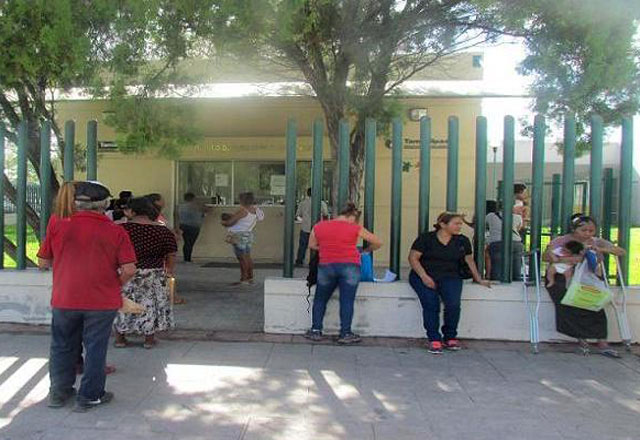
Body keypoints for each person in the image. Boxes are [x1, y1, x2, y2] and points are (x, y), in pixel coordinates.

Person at [38, 181, 137, 411]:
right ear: (105, 204)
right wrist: (114, 284)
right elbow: (129, 269)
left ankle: (58, 394)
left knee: (61, 346)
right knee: (95, 349)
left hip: (64, 298)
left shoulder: (57, 223)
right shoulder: (116, 231)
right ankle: (89, 396)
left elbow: (43, 262)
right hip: (101, 301)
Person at [542, 214, 625, 358]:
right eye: (584, 230)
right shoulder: (562, 241)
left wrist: (601, 249)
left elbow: (621, 251)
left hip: (588, 278)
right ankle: (582, 341)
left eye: (591, 231)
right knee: (571, 302)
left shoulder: (596, 241)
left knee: (595, 304)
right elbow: (546, 256)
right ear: (574, 229)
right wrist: (569, 259)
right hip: (563, 277)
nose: (587, 234)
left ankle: (602, 342)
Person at [408, 212, 490, 354]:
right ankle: (434, 338)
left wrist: (478, 278)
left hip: (450, 275)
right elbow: (413, 258)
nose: (459, 226)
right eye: (456, 223)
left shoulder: (462, 241)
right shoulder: (426, 238)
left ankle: (450, 336)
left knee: (453, 305)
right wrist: (424, 276)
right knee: (431, 303)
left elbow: (469, 260)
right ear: (442, 224)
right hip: (424, 274)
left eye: (460, 224)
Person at [303, 202, 382, 344]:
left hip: (326, 266)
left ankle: (316, 331)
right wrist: (364, 251)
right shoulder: (355, 227)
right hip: (350, 267)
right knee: (347, 300)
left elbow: (311, 245)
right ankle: (345, 333)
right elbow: (378, 242)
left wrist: (326, 247)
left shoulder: (319, 226)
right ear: (352, 216)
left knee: (320, 299)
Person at [113, 197, 178, 349]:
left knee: (122, 303)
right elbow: (171, 253)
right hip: (153, 272)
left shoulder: (120, 228)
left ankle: (120, 339)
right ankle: (148, 340)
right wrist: (169, 270)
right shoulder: (163, 230)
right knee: (150, 305)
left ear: (132, 211)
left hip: (125, 270)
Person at [222, 192, 265, 285]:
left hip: (239, 236)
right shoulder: (255, 210)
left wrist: (224, 223)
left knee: (241, 258)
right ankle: (250, 277)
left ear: (242, 200)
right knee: (247, 257)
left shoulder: (243, 211)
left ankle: (244, 278)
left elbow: (230, 222)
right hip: (248, 235)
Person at [486, 203, 524, 281]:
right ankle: (516, 278)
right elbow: (518, 229)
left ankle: (496, 280)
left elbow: (485, 224)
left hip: (497, 243)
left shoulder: (490, 216)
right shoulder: (518, 217)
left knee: (496, 264)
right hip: (515, 242)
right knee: (516, 263)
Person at [295, 188, 329, 266]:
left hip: (305, 227)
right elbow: (325, 214)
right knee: (317, 246)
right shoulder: (321, 203)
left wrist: (304, 220)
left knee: (303, 246)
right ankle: (314, 262)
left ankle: (299, 261)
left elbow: (298, 215)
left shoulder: (303, 203)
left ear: (307, 193)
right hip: (318, 229)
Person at [177, 192, 204, 262]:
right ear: (193, 198)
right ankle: (187, 259)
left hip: (183, 226)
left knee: (186, 242)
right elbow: (205, 210)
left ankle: (186, 258)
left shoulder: (181, 206)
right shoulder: (195, 206)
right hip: (193, 227)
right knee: (190, 243)